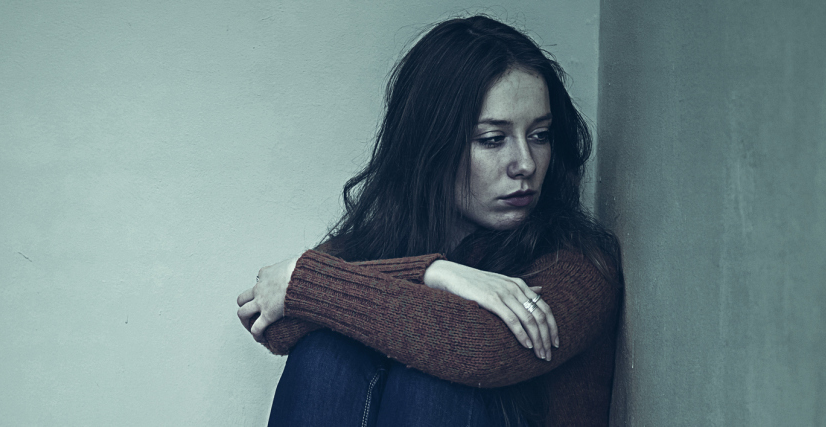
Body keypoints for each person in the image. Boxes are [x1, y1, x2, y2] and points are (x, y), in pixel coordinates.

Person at [235, 15, 622, 427]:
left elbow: (483, 348)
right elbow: (275, 324)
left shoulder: (578, 263)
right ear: (431, 144)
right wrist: (434, 273)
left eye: (540, 135)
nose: (525, 164)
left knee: (433, 376)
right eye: (493, 140)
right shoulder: (380, 240)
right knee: (325, 351)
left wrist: (309, 282)